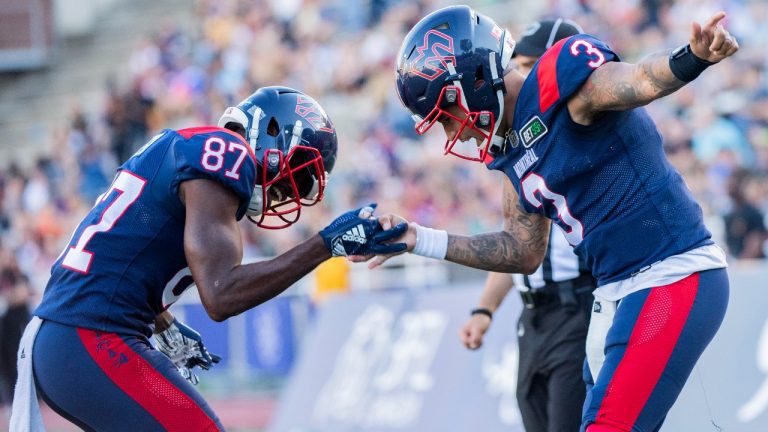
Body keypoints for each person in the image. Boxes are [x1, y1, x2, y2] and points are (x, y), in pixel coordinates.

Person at [375, 5, 737, 431]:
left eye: (447, 115)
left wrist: (691, 58)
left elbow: (639, 80)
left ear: (472, 83)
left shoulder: (559, 81)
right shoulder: (508, 143)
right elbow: (521, 250)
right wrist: (420, 238)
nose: (454, 133)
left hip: (673, 273)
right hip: (615, 291)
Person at [10, 86, 405, 431]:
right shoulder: (225, 152)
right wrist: (325, 245)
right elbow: (221, 295)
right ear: (270, 136)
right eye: (296, 175)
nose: (289, 192)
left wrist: (162, 322)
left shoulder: (186, 146)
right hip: (89, 336)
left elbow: (127, 247)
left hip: (70, 337)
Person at [457, 18, 596, 432]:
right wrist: (485, 309)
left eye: (531, 65)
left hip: (578, 307)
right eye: (516, 66)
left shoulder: (576, 135)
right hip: (533, 318)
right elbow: (517, 247)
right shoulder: (517, 142)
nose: (520, 78)